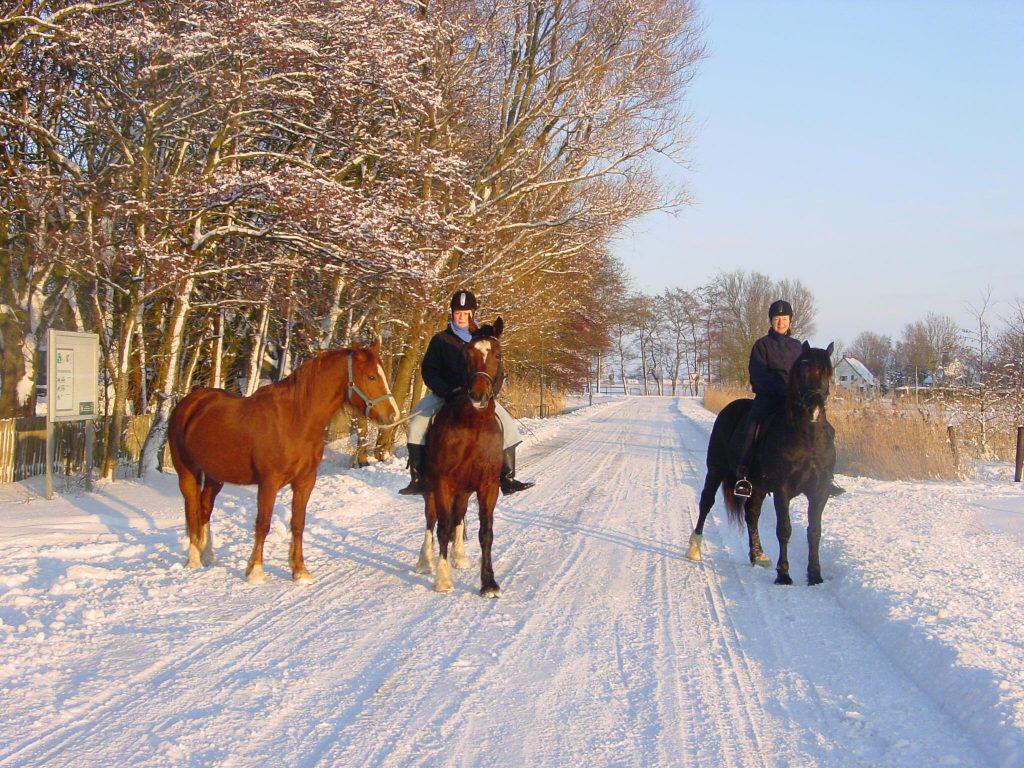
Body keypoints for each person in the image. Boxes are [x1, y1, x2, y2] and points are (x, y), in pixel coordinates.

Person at [398, 290, 535, 496]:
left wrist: (491, 394)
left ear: (473, 314)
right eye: (458, 313)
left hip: (479, 397)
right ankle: (418, 479)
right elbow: (429, 371)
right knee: (416, 423)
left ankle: (507, 480)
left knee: (508, 426)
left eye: (466, 313)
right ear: (452, 314)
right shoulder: (440, 340)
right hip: (445, 395)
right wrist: (446, 390)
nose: (462, 317)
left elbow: (498, 373)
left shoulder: (484, 339)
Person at [734, 300, 844, 498]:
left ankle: (826, 477)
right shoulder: (762, 346)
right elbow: (758, 376)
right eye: (777, 319)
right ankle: (744, 475)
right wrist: (780, 389)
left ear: (790, 321)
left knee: (828, 428)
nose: (781, 323)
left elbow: (805, 376)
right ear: (771, 321)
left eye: (784, 319)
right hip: (768, 399)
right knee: (753, 426)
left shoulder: (798, 348)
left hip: (794, 401)